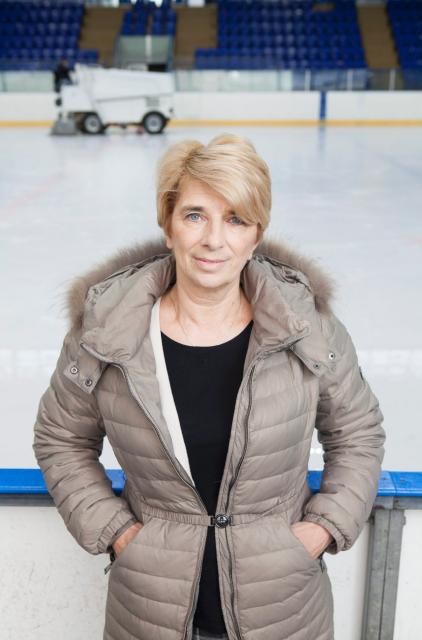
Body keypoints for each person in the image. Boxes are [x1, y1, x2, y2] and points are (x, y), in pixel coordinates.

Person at [33, 133, 386, 640]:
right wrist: (118, 534)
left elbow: (358, 433)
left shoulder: (308, 328)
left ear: (257, 234)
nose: (214, 240)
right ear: (168, 224)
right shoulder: (106, 332)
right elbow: (60, 438)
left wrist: (322, 528)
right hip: (148, 612)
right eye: (195, 215)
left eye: (236, 219)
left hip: (285, 612)